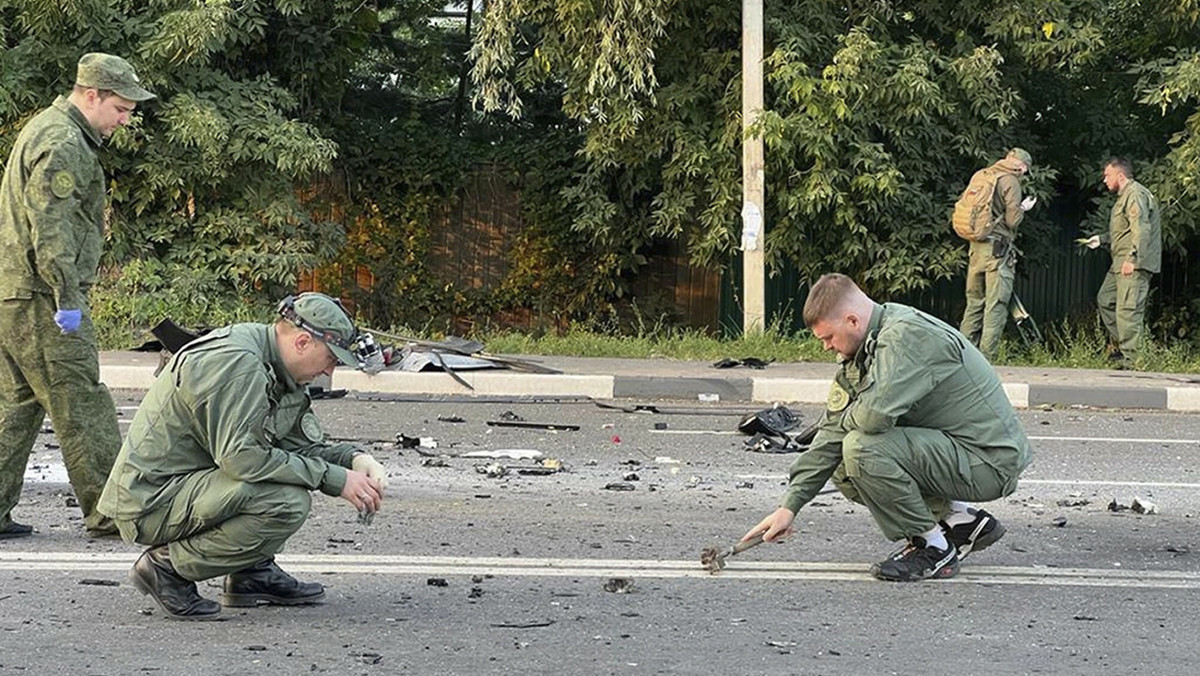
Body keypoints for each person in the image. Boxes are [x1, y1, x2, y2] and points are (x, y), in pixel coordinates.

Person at [97, 292, 389, 620]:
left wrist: (355, 460)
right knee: (285, 502)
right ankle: (166, 568)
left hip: (189, 486)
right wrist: (332, 479)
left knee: (282, 481)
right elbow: (242, 459)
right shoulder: (239, 363)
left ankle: (251, 573)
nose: (329, 371)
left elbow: (295, 447)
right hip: (150, 501)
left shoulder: (278, 366)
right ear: (303, 342)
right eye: (331, 358)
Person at [744, 274, 1033, 581]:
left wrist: (846, 420)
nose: (826, 347)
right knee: (842, 459)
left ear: (852, 321)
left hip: (989, 461)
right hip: (957, 451)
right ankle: (959, 520)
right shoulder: (865, 348)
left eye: (828, 338)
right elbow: (831, 432)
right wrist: (789, 507)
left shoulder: (906, 337)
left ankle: (933, 548)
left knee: (861, 448)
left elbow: (871, 418)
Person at [0, 53, 155, 539]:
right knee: (81, 401)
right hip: (44, 297)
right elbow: (52, 228)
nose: (125, 119)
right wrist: (67, 297)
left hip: (16, 293)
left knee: (17, 405)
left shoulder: (48, 129)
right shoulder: (64, 141)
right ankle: (113, 511)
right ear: (92, 95)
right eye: (121, 108)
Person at [1082, 158, 1162, 367]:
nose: (1104, 179)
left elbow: (1141, 229)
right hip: (1119, 262)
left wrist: (1133, 259)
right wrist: (1101, 239)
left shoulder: (1135, 195)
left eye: (1107, 175)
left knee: (1128, 310)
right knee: (1106, 299)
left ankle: (1133, 362)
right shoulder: (1125, 196)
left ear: (1120, 175)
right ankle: (1123, 347)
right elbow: (1124, 230)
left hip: (1131, 262)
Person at [959, 148, 1037, 360]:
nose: (1023, 174)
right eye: (1025, 171)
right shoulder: (1010, 181)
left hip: (976, 247)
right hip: (998, 250)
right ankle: (987, 359)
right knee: (996, 303)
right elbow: (1013, 221)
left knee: (974, 302)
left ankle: (963, 357)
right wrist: (1022, 208)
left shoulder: (982, 174)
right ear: (1021, 166)